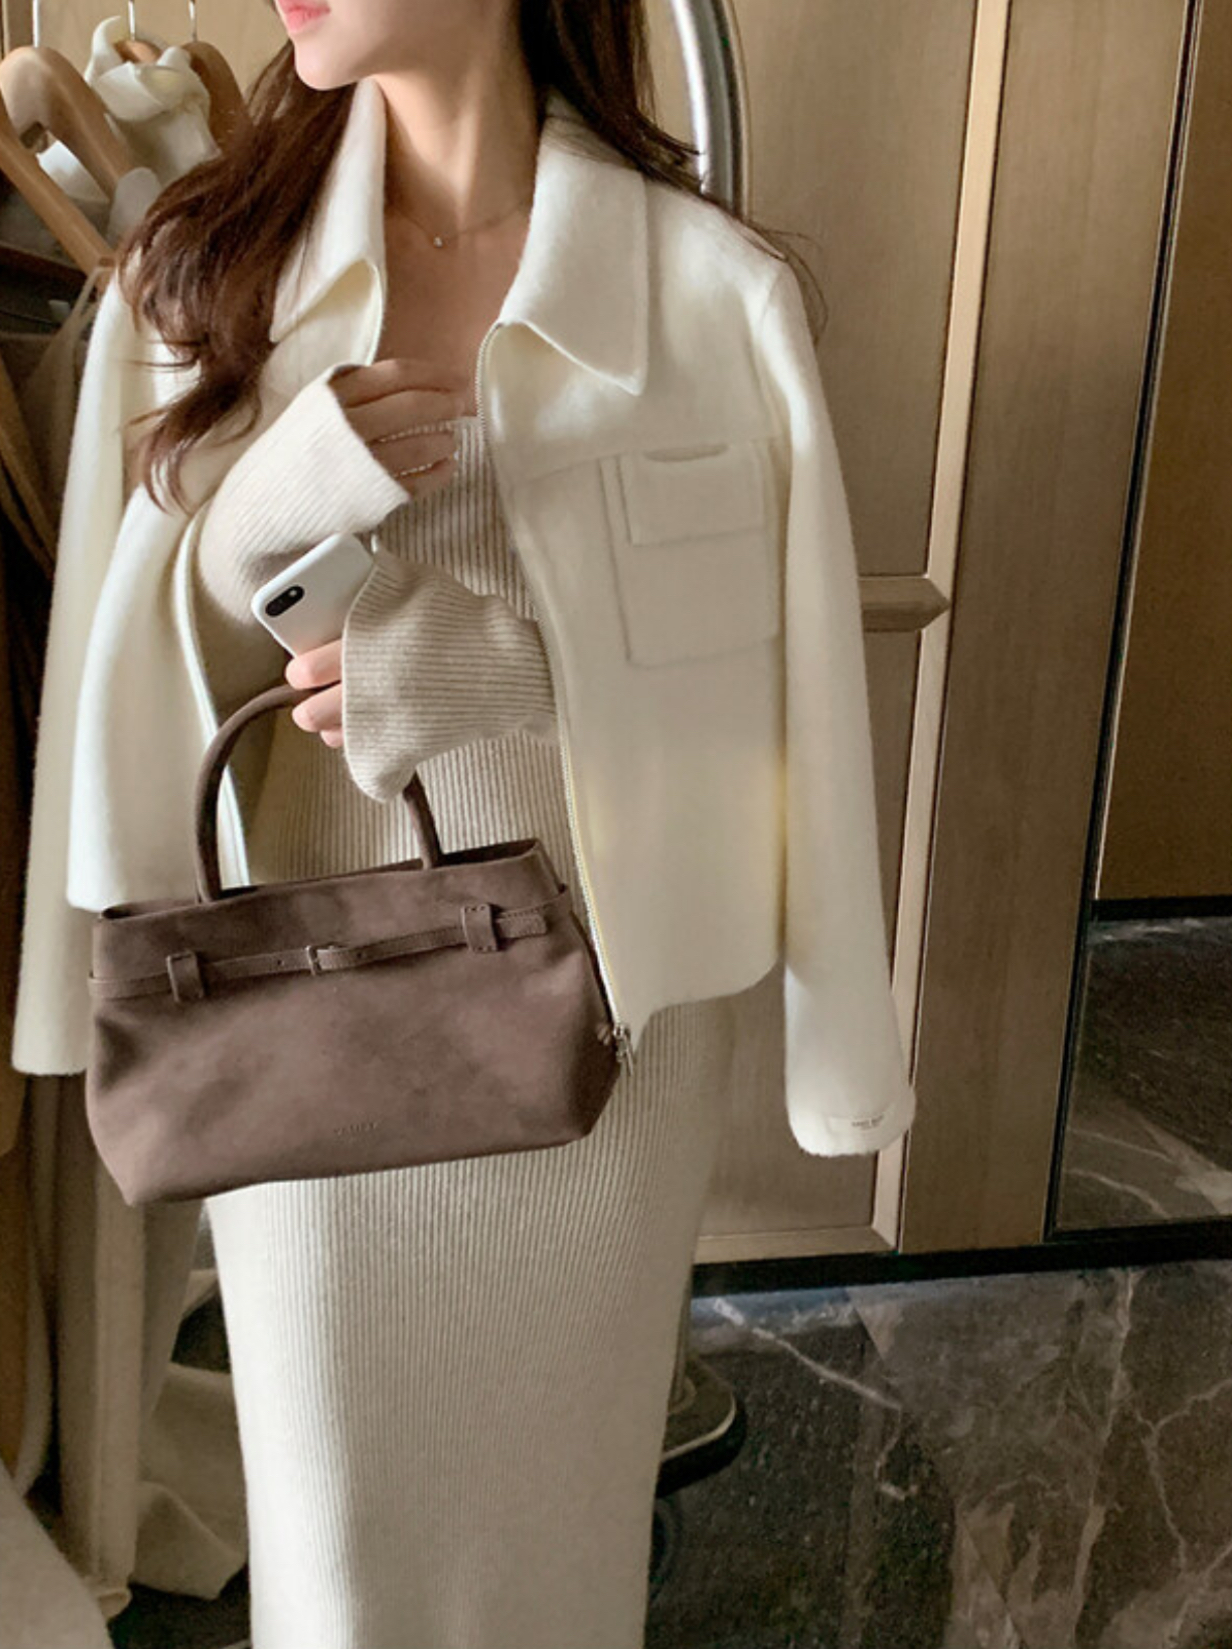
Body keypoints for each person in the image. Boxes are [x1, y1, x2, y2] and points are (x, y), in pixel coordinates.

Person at [12, 0, 915, 1643]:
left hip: (608, 1055)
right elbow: (116, 682)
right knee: (337, 1553)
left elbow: (773, 704)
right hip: (307, 1027)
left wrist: (510, 668)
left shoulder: (708, 295)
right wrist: (271, 513)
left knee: (563, 1549)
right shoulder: (195, 275)